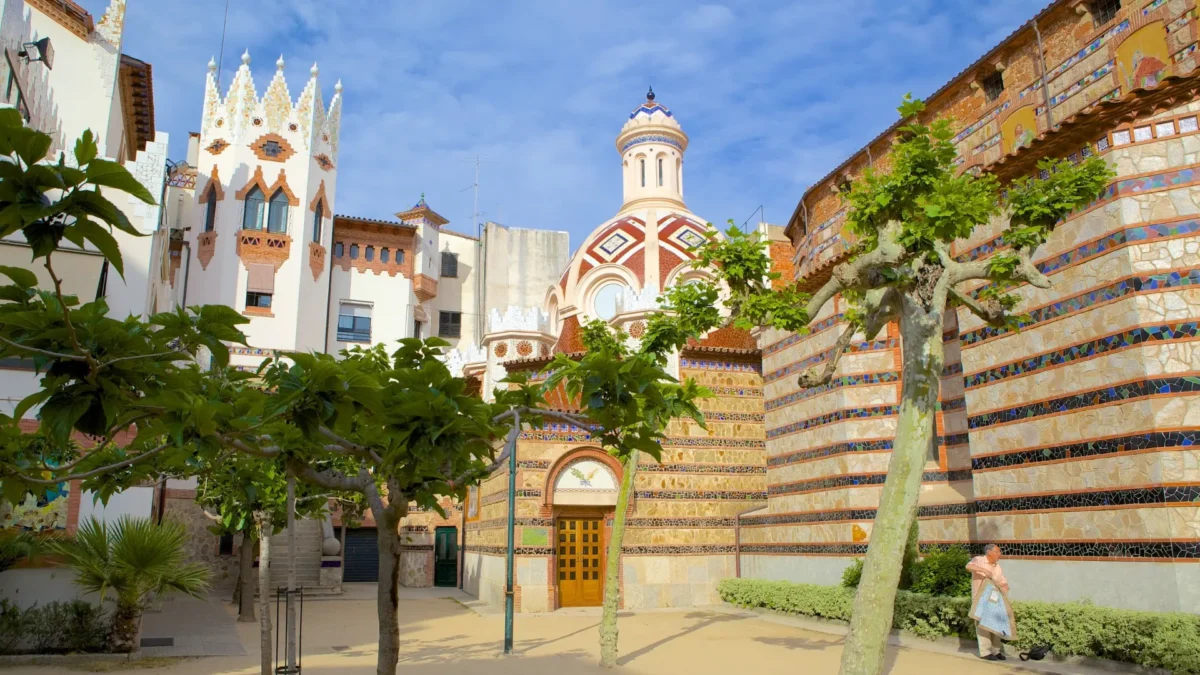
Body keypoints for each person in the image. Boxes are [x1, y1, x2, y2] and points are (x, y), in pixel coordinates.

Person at [966, 543, 1009, 660]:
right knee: (983, 625)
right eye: (997, 552)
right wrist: (983, 570)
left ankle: (995, 651)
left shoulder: (997, 566)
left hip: (994, 598)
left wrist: (1005, 590)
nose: (1000, 554)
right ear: (989, 552)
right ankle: (985, 652)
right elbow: (968, 566)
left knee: (995, 624)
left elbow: (1002, 581)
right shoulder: (979, 560)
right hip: (980, 598)